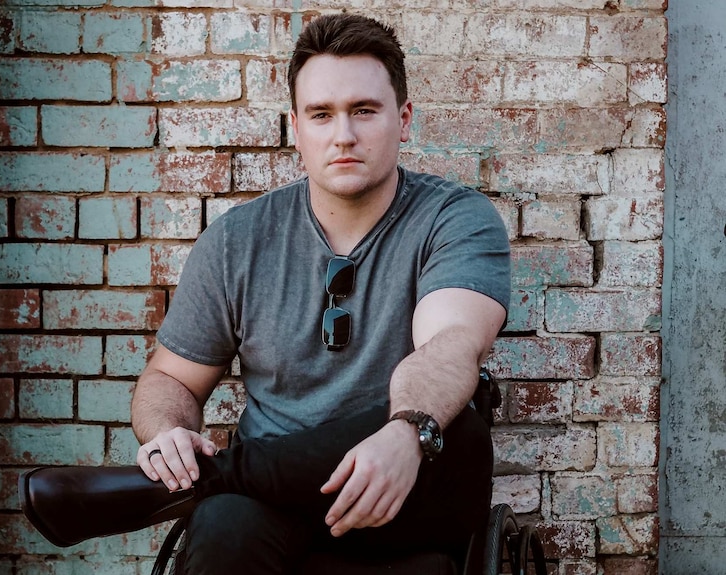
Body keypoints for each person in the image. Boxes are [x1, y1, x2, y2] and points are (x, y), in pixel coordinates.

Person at [131, 12, 510, 574]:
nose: (344, 135)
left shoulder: (455, 219)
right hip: (271, 506)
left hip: (405, 493)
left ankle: (225, 471)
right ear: (296, 127)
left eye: (364, 110)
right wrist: (170, 436)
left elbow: (452, 342)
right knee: (221, 529)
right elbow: (169, 379)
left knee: (464, 437)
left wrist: (406, 433)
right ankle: (223, 477)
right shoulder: (238, 240)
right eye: (322, 115)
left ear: (403, 119)